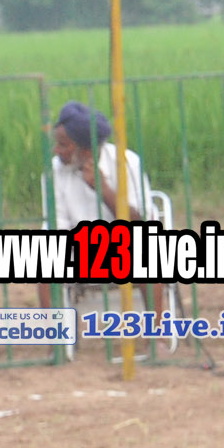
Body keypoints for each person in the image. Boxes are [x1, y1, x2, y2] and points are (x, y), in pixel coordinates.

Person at [40, 100, 160, 311]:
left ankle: (157, 328)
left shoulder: (126, 162)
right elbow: (56, 228)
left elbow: (141, 222)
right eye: (56, 143)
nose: (56, 150)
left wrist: (102, 189)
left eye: (63, 145)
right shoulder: (53, 172)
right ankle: (55, 330)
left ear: (87, 151)